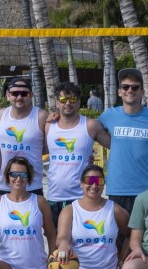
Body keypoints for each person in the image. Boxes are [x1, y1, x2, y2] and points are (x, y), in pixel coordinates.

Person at [99, 68, 148, 269]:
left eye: (134, 87)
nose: (130, 91)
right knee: (117, 244)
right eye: (126, 87)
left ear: (142, 91)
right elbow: (87, 129)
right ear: (119, 91)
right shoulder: (109, 116)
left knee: (146, 244)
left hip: (147, 190)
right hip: (117, 188)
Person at [51, 165, 130, 269]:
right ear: (81, 184)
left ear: (103, 184)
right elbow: (62, 237)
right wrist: (64, 245)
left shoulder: (114, 210)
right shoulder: (70, 210)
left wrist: (122, 258)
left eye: (99, 181)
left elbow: (131, 234)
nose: (94, 185)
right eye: (89, 181)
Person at [44, 81, 111, 219]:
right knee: (56, 240)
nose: (68, 103)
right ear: (57, 103)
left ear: (79, 102)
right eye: (63, 99)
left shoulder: (91, 125)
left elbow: (117, 147)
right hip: (55, 195)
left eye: (72, 99)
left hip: (82, 195)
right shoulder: (49, 126)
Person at [0, 77, 47, 197]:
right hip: (5, 183)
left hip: (32, 184)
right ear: (8, 95)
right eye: (15, 93)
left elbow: (55, 140)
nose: (19, 97)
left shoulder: (41, 116)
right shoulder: (2, 114)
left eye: (24, 93)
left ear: (31, 95)